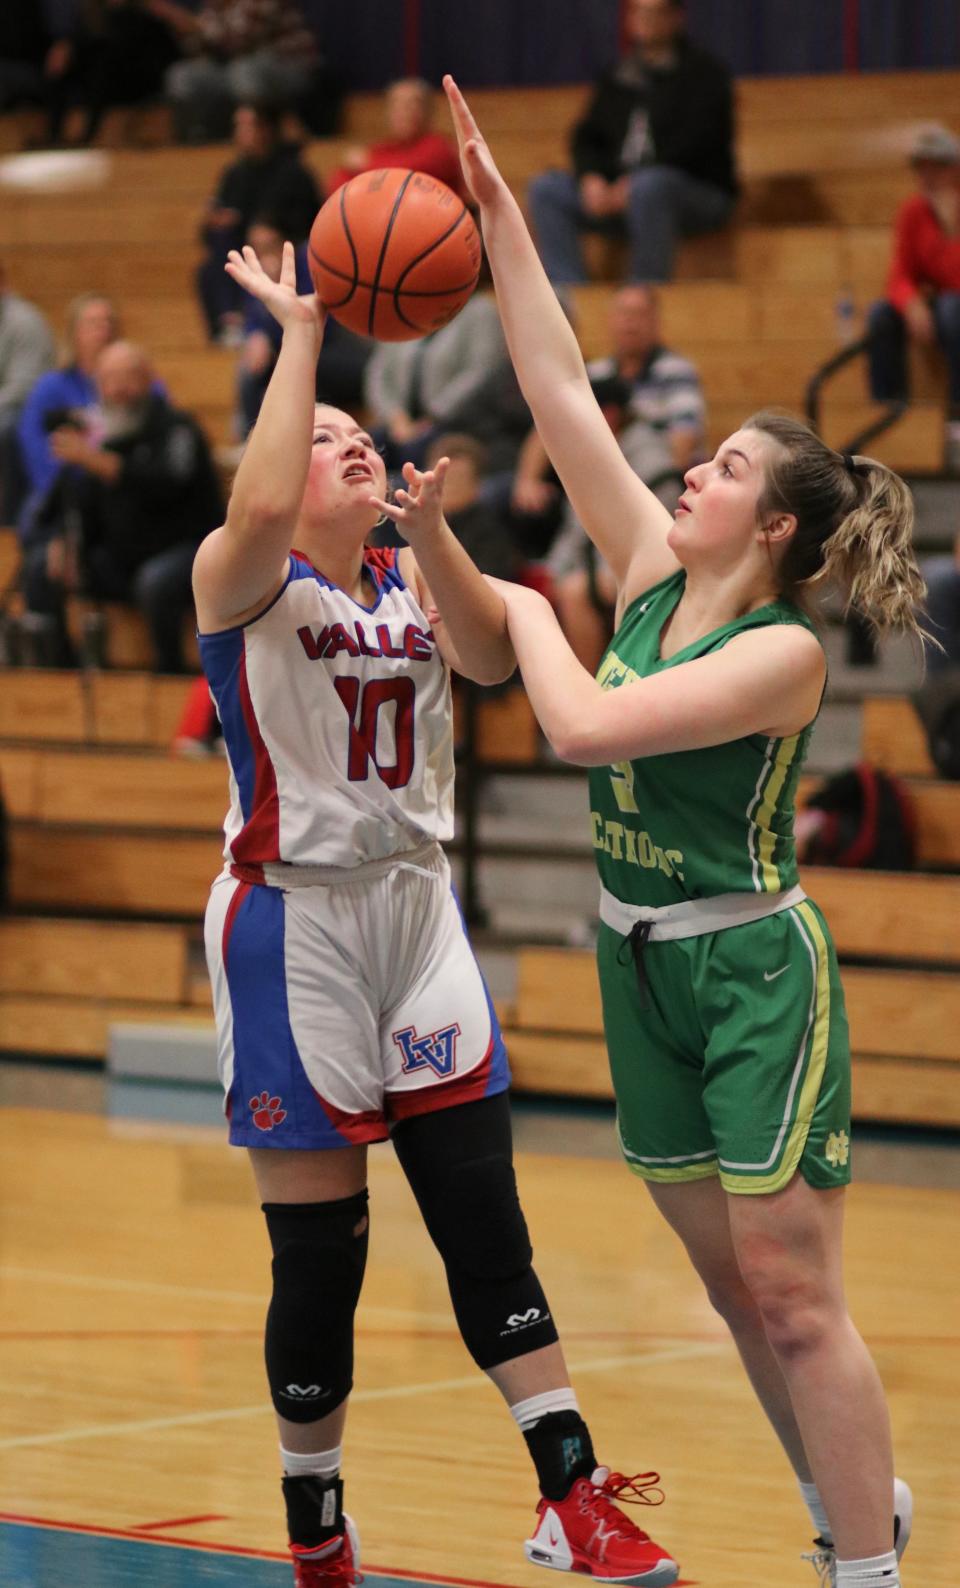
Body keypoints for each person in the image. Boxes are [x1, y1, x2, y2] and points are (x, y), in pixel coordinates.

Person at [445, 75, 918, 1588]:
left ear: (772, 525)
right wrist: (503, 217)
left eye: (721, 467)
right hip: (635, 961)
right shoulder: (650, 566)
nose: (691, 471)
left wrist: (520, 603)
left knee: (793, 1295)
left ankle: (868, 1569)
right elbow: (561, 388)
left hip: (751, 974)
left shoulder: (781, 653)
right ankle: (856, 1503)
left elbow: (578, 727)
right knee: (733, 1298)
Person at [192, 237, 680, 1588]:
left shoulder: (407, 583)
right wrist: (303, 339)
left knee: (486, 1221)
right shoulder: (243, 580)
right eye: (326, 439)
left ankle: (571, 1492)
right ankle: (317, 1522)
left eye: (362, 430)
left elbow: (482, 657)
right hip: (291, 933)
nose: (352, 446)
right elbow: (254, 497)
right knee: (321, 1263)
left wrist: (435, 533)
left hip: (418, 918)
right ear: (287, 475)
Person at [22, 340, 222, 669]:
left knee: (155, 582)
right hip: (121, 557)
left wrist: (100, 462)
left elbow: (168, 482)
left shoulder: (178, 428)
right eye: (108, 379)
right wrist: (64, 539)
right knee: (42, 566)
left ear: (148, 379)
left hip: (186, 552)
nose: (118, 388)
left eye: (127, 377)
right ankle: (59, 668)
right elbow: (68, 505)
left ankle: (170, 676)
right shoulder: (100, 437)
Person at [527, 0, 737, 285]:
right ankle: (568, 294)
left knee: (650, 186)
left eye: (655, 12)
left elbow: (699, 144)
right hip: (621, 194)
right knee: (547, 189)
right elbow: (588, 137)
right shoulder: (618, 75)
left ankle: (643, 294)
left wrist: (632, 183)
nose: (645, 20)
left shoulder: (705, 75)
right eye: (638, 12)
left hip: (692, 193)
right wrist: (592, 178)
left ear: (676, 18)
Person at [867, 123, 960, 471]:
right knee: (881, 316)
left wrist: (950, 226)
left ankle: (956, 416)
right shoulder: (913, 211)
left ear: (953, 169)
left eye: (935, 166)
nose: (926, 175)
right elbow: (899, 273)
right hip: (936, 302)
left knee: (953, 312)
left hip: (952, 304)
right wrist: (910, 301)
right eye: (921, 167)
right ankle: (889, 411)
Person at [196, 101, 321, 344]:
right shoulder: (235, 173)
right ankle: (229, 325)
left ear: (265, 129)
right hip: (244, 248)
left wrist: (272, 229)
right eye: (237, 126)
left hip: (286, 248)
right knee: (209, 267)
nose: (239, 133)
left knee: (263, 259)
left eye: (247, 126)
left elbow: (311, 219)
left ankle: (257, 329)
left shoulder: (293, 171)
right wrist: (215, 221)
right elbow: (212, 226)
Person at [235, 216, 370, 438]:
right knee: (249, 371)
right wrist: (255, 334)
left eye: (269, 246)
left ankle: (304, 439)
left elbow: (314, 324)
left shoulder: (311, 263)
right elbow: (253, 320)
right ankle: (250, 440)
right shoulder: (259, 273)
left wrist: (267, 333)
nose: (264, 254)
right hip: (297, 351)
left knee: (299, 370)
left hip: (340, 350)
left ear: (285, 243)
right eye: (257, 248)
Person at [363, 290, 509, 472]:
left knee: (414, 451)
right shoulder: (402, 308)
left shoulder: (480, 311)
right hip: (401, 424)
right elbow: (378, 373)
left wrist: (432, 416)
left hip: (457, 423)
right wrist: (395, 417)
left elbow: (481, 372)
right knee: (368, 447)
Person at [15, 291, 119, 537]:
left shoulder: (138, 383)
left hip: (119, 490)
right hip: (65, 492)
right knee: (33, 520)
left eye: (109, 323)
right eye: (93, 323)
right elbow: (33, 444)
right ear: (74, 334)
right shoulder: (52, 386)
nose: (103, 330)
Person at [153, 0, 320, 143]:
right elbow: (198, 47)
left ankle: (269, 132)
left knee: (244, 71)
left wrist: (179, 19)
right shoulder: (216, 6)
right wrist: (194, 33)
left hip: (288, 67)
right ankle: (199, 136)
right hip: (235, 70)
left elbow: (237, 40)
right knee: (182, 75)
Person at [35, 0, 180, 148]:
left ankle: (87, 137)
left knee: (101, 68)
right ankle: (54, 135)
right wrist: (65, 46)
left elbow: (160, 47)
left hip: (140, 69)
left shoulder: (145, 10)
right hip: (102, 66)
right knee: (62, 65)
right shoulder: (93, 13)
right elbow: (88, 40)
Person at [325, 77, 464, 199]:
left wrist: (364, 167)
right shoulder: (382, 149)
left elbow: (403, 177)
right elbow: (338, 182)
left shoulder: (439, 148)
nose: (403, 111)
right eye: (396, 104)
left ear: (428, 112)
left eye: (412, 104)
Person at [0, 262, 56, 522]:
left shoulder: (25, 323)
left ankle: (8, 516)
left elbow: (23, 387)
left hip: (25, 409)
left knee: (7, 427)